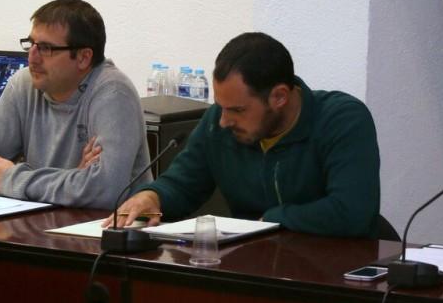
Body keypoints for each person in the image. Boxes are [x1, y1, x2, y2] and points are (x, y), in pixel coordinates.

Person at [110, 32, 381, 237]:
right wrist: (152, 197)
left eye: (237, 110)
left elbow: (351, 211)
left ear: (279, 97)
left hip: (335, 270)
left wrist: (273, 220)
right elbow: (183, 184)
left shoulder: (341, 120)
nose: (224, 121)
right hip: (255, 265)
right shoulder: (218, 122)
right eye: (221, 107)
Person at [0, 0, 151, 209]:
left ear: (83, 58)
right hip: (40, 223)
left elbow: (104, 191)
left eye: (46, 48)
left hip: (104, 226)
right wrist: (75, 179)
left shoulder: (114, 92)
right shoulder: (23, 84)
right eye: (31, 44)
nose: (32, 58)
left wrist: (11, 178)